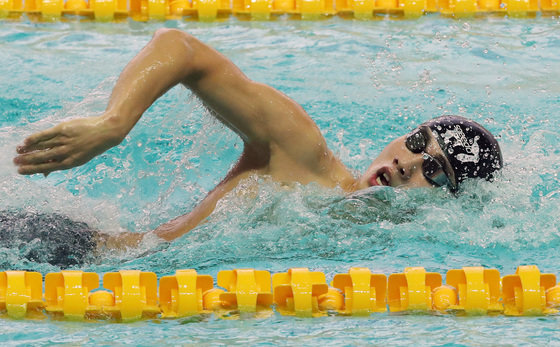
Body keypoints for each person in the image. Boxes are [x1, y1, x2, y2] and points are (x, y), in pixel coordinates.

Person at [12, 28, 503, 250]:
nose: (408, 165)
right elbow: (181, 48)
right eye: (418, 145)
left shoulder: (376, 255)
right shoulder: (301, 154)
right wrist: (114, 124)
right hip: (68, 252)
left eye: (434, 171)